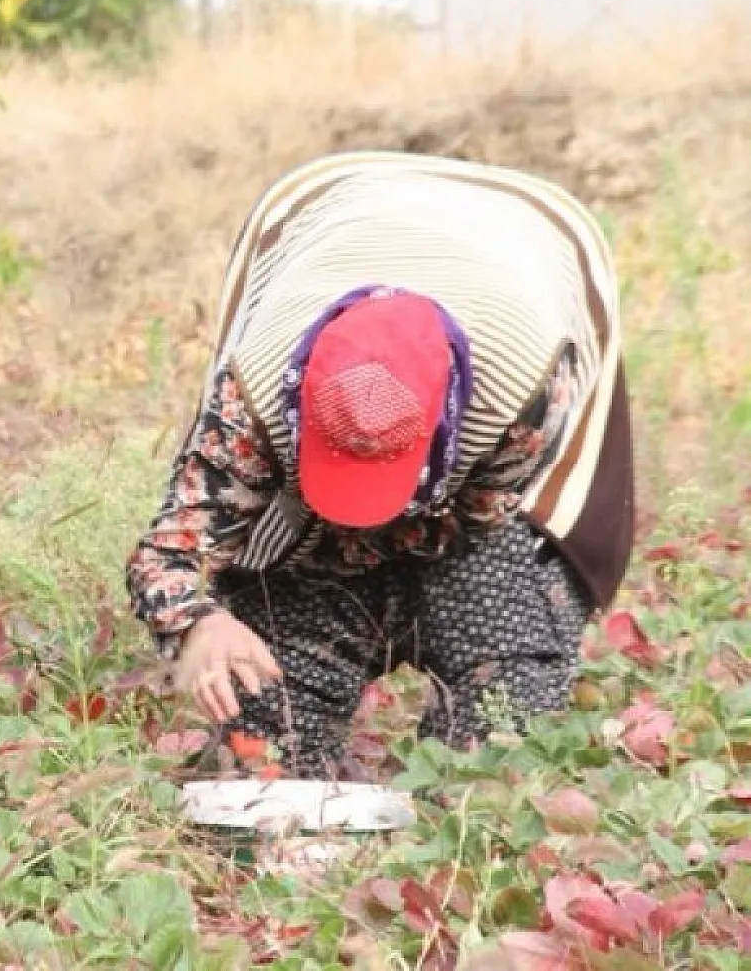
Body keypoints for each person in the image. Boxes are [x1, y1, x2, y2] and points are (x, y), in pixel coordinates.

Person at [126, 151, 634, 778]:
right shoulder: (251, 395)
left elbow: (477, 521)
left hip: (534, 240)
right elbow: (164, 554)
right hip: (326, 210)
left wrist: (397, 592)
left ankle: (459, 799)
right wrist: (198, 625)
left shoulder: (526, 389)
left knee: (511, 714)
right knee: (267, 732)